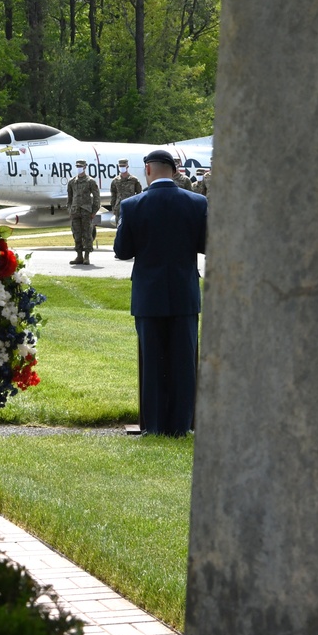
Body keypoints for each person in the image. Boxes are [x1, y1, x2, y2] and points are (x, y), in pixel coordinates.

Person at [113, 149, 207, 437]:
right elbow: (207, 244)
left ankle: (153, 425)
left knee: (152, 362)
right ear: (175, 171)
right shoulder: (197, 202)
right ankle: (181, 425)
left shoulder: (132, 205)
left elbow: (122, 251)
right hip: (183, 293)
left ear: (148, 171)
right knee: (184, 362)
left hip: (148, 295)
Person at [67, 159, 100, 265]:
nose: (79, 168)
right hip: (75, 212)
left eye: (81, 166)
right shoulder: (72, 182)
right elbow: (69, 198)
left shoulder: (90, 181)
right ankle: (79, 256)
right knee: (76, 234)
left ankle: (86, 256)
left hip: (86, 211)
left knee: (87, 234)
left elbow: (96, 197)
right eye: (77, 166)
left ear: (85, 167)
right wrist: (70, 210)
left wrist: (94, 211)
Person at [109, 157, 142, 227]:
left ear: (127, 166)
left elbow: (139, 194)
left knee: (132, 227)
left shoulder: (134, 180)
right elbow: (113, 195)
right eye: (120, 166)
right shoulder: (115, 181)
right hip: (119, 208)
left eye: (123, 166)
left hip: (131, 207)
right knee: (120, 228)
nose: (121, 167)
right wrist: (113, 208)